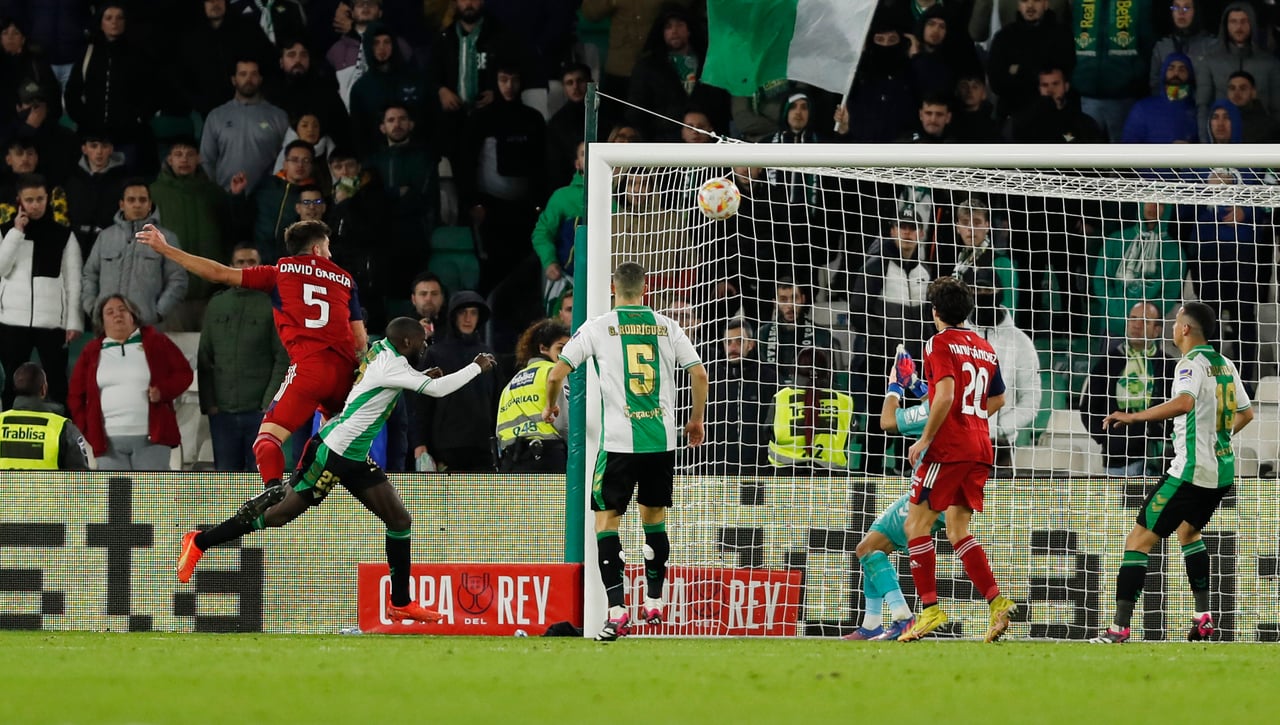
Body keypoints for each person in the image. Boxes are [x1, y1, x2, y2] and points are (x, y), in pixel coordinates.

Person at [176, 317, 497, 626]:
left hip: (354, 454)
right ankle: (201, 541)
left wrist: (422, 372)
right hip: (334, 451)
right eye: (423, 343)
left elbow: (384, 381)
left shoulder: (383, 350)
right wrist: (476, 366)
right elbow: (437, 390)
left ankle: (400, 603)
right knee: (277, 515)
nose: (426, 346)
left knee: (399, 520)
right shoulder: (392, 364)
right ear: (408, 342)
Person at [134, 219, 367, 491]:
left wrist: (167, 250)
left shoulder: (280, 272)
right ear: (316, 249)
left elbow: (219, 273)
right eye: (327, 248)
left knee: (267, 441)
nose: (330, 255)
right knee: (344, 445)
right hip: (344, 371)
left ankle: (272, 493)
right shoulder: (345, 279)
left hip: (309, 368)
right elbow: (360, 340)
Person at [542, 261, 708, 641]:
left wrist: (550, 406)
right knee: (654, 520)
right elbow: (699, 374)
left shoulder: (599, 327)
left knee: (606, 524)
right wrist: (695, 420)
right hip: (662, 442)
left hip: (618, 443)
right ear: (645, 288)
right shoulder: (667, 326)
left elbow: (556, 373)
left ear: (613, 289)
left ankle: (617, 611)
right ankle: (654, 600)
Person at [1091, 302, 1253, 643]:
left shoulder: (1189, 364)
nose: (1173, 327)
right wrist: (1215, 440)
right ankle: (1203, 618)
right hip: (1220, 473)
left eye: (1176, 321)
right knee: (1188, 534)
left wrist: (1133, 416)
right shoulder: (1224, 364)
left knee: (1137, 541)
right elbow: (1246, 413)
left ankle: (1118, 629)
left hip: (1189, 473)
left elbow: (1184, 403)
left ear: (1185, 330)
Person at [898, 276, 1016, 643]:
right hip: (981, 446)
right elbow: (999, 399)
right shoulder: (983, 345)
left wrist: (927, 438)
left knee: (916, 525)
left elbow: (946, 394)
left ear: (935, 312)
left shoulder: (938, 342)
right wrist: (971, 417)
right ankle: (997, 603)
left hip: (949, 448)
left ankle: (930, 609)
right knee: (957, 530)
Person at [845, 347, 943, 641]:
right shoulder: (950, 401)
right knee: (871, 548)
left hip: (929, 490)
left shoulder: (932, 409)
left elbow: (887, 421)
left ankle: (903, 618)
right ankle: (872, 624)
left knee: (866, 550)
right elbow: (934, 402)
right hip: (947, 489)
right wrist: (914, 382)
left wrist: (895, 386)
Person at [69, 294, 193, 470]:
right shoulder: (91, 351)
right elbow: (76, 395)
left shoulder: (156, 342)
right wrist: (87, 428)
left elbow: (184, 373)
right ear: (101, 321)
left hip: (153, 441)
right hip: (108, 445)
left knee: (149, 497)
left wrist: (163, 391)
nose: (117, 315)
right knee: (119, 498)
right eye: (109, 312)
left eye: (122, 310)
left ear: (133, 315)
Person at [199, 244, 289, 472]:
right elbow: (205, 356)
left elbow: (283, 358)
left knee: (260, 478)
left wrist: (269, 403)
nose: (246, 267)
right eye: (240, 262)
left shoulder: (274, 304)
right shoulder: (217, 304)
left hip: (259, 411)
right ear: (230, 266)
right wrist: (209, 403)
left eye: (252, 262)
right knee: (226, 479)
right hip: (223, 414)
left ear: (261, 267)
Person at [0, 173, 81, 409]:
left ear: (47, 199)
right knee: (12, 382)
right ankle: (6, 429)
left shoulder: (64, 235)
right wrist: (17, 232)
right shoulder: (5, 232)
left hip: (51, 322)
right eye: (29, 200)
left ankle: (61, 433)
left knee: (56, 382)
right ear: (20, 201)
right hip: (11, 321)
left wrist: (73, 321)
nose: (35, 205)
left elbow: (73, 280)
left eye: (40, 199)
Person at [1081, 302, 1176, 477]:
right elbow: (1089, 406)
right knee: (1121, 505)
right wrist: (1107, 439)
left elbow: (1178, 407)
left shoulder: (1168, 365)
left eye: (1145, 321)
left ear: (1156, 330)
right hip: (1117, 459)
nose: (1136, 325)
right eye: (1133, 319)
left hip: (1159, 458)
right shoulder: (1108, 362)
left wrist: (1161, 433)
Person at [81, 179, 187, 326]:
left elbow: (178, 280)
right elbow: (89, 275)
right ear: (122, 205)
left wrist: (158, 313)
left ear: (150, 204)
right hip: (107, 325)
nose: (137, 204)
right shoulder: (105, 237)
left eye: (142, 200)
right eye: (131, 200)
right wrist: (93, 308)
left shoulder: (166, 239)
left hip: (146, 325)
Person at [412, 291, 498, 472]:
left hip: (483, 446)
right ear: (453, 316)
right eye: (462, 312)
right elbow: (421, 404)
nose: (468, 318)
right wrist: (419, 443)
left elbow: (497, 401)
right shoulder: (435, 353)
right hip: (444, 447)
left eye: (473, 312)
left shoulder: (488, 354)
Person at [200, 58, 290, 194]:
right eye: (243, 74)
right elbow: (206, 160)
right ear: (234, 80)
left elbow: (287, 157)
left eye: (253, 74)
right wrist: (214, 192)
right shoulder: (216, 116)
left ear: (260, 79)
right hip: (226, 195)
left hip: (267, 198)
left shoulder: (278, 116)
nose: (249, 79)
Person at [1196, 2, 1280, 143]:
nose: (1238, 27)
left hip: (1261, 142)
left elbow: (1277, 109)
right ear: (1226, 25)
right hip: (1221, 144)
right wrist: (1206, 145)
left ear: (1252, 23)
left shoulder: (1270, 64)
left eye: (1243, 21)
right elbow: (1203, 107)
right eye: (1233, 22)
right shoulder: (1209, 61)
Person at [495, 319, 571, 472]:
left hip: (511, 461)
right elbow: (564, 423)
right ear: (543, 348)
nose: (566, 355)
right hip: (548, 458)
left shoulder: (510, 384)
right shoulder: (554, 372)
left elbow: (499, 431)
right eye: (561, 349)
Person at [766, 347, 856, 471]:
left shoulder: (780, 398)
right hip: (830, 479)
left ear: (795, 369)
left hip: (784, 479)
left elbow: (766, 432)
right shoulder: (845, 401)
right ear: (828, 371)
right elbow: (850, 435)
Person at [0, 362, 90, 470]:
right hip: (47, 487)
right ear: (43, 389)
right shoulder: (63, 428)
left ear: (14, 388)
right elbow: (80, 478)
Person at [1122, 53, 1199, 144]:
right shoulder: (1143, 109)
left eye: (1182, 69)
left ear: (1189, 75)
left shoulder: (1199, 111)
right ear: (1163, 72)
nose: (1176, 73)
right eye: (1171, 68)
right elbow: (1129, 147)